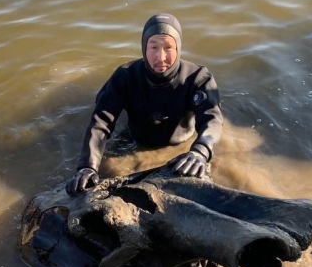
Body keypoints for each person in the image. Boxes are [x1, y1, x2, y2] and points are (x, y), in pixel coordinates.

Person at [67, 13, 223, 194]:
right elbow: (101, 122)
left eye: (168, 47)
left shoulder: (198, 78)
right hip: (135, 141)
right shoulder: (125, 77)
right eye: (154, 47)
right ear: (143, 46)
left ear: (178, 47)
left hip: (182, 149)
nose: (161, 57)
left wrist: (200, 151)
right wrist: (88, 166)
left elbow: (213, 120)